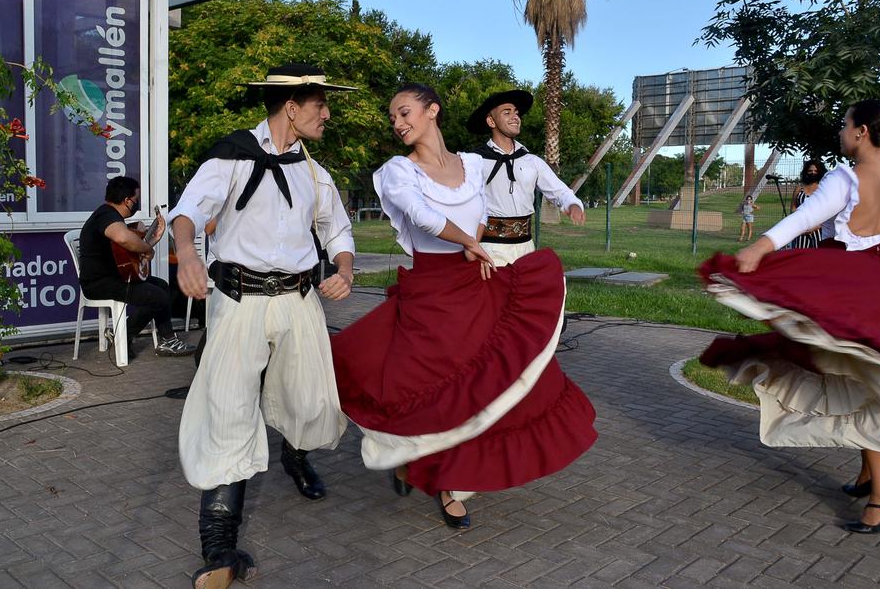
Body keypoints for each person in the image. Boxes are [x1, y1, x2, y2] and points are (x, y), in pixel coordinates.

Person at [331, 84, 597, 530]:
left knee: (490, 386)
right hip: (429, 295)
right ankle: (409, 456)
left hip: (476, 282)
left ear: (432, 110)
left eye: (404, 112)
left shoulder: (472, 166)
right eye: (392, 117)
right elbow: (422, 216)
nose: (397, 123)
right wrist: (471, 241)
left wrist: (483, 242)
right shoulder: (398, 171)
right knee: (426, 388)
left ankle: (455, 485)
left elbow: (480, 212)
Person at [699, 100, 880, 534]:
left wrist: (760, 246)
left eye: (845, 125)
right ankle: (869, 477)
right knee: (867, 372)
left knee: (870, 379)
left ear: (862, 132)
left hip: (852, 286)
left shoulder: (847, 178)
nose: (840, 133)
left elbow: (806, 217)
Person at [169, 64, 356, 588]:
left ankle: (295, 456)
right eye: (320, 103)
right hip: (238, 300)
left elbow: (337, 230)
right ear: (291, 107)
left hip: (298, 301)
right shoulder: (230, 156)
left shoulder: (315, 174)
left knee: (312, 402)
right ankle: (219, 553)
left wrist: (342, 268)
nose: (327, 112)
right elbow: (187, 212)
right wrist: (187, 254)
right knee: (227, 412)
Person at [78, 176, 196, 360]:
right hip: (99, 283)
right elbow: (124, 239)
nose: (136, 204)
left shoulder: (110, 216)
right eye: (135, 199)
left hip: (114, 277)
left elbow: (126, 253)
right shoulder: (106, 216)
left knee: (162, 286)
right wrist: (147, 248)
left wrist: (152, 240)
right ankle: (124, 335)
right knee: (157, 296)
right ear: (127, 200)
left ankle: (166, 340)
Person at [466, 89, 585, 265]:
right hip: (489, 248)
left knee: (530, 292)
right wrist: (472, 246)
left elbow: (560, 191)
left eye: (516, 112)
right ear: (491, 121)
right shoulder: (474, 161)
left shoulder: (532, 161)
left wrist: (573, 204)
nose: (515, 117)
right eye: (507, 112)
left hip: (526, 248)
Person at [786, 159, 827, 249]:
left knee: (818, 256)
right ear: (806, 172)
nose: (813, 173)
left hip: (818, 229)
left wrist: (815, 227)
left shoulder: (823, 188)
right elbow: (793, 208)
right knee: (800, 256)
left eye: (816, 171)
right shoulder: (799, 188)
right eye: (810, 171)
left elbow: (827, 212)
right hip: (801, 229)